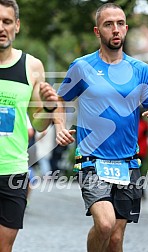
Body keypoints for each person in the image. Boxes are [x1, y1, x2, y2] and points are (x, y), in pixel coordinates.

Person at [54, 3, 148, 252]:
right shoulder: (82, 67)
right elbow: (60, 101)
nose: (115, 29)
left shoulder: (141, 71)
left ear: (125, 28)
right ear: (97, 31)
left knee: (116, 239)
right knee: (105, 224)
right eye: (108, 24)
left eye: (119, 24)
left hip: (128, 162)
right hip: (92, 160)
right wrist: (60, 126)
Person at [0, 1, 57, 251]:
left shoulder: (32, 66)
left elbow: (38, 122)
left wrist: (49, 107)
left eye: (7, 21)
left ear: (17, 26)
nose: (1, 27)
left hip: (13, 170)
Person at [138, 111, 148, 198]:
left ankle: (141, 192)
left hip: (138, 152)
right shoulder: (144, 124)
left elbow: (138, 135)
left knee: (137, 172)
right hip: (142, 151)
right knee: (139, 172)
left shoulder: (141, 124)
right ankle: (141, 192)